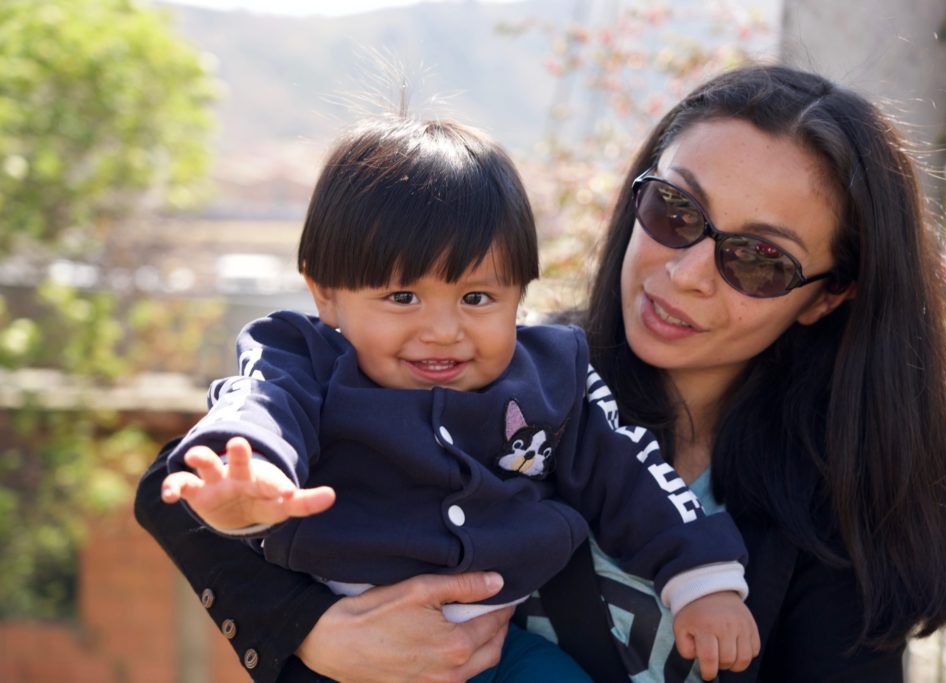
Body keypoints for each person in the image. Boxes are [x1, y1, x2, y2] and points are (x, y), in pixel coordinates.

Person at [134, 64, 946, 682]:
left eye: (757, 260)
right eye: (675, 211)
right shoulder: (510, 369)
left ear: (829, 297)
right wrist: (315, 634)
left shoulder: (844, 502)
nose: (684, 271)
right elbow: (180, 489)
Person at [156, 116, 759, 682]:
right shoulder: (304, 360)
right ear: (328, 294)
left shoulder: (553, 375)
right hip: (353, 658)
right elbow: (258, 407)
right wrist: (250, 478)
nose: (444, 330)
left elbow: (630, 472)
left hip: (500, 652)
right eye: (402, 298)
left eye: (476, 298)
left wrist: (703, 581)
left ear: (521, 293)